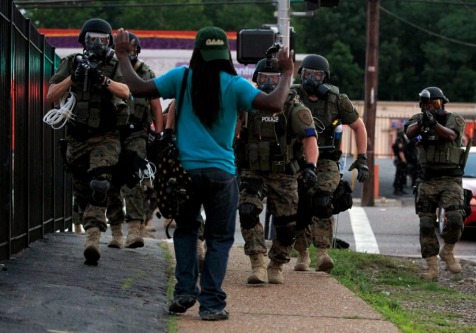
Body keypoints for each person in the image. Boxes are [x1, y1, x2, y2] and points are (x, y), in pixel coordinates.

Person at [114, 26, 296, 321]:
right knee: (219, 238)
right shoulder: (235, 84)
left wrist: (122, 55)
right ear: (225, 54)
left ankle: (184, 291)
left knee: (186, 231)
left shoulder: (181, 78)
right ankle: (211, 303)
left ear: (197, 52)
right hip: (222, 174)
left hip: (184, 172)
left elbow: (139, 88)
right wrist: (287, 73)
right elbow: (274, 104)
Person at [46, 18, 130, 265]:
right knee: (82, 193)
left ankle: (93, 238)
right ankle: (90, 230)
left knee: (100, 184)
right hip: (77, 139)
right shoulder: (71, 62)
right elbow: (51, 95)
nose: (97, 44)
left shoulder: (114, 64)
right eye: (92, 39)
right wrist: (73, 77)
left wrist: (102, 79)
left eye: (102, 40)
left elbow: (126, 91)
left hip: (106, 136)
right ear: (84, 40)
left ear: (109, 42)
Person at [237, 58, 319, 285]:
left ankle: (277, 264)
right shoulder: (246, 105)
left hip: (284, 174)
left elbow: (310, 140)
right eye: (264, 78)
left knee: (286, 225)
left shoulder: (294, 107)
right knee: (247, 211)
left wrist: (311, 167)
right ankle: (257, 262)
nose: (269, 83)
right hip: (253, 172)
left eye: (275, 78)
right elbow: (233, 133)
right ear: (256, 79)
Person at [290, 54, 369, 272]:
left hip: (326, 160)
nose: (311, 79)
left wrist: (362, 159)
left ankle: (323, 253)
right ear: (301, 75)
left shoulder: (337, 99)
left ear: (325, 78)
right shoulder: (293, 96)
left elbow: (359, 127)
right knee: (298, 205)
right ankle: (303, 252)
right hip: (298, 159)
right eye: (307, 74)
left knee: (323, 201)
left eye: (317, 75)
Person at [105, 32, 163, 249]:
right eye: (124, 48)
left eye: (131, 49)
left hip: (137, 132)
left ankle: (135, 229)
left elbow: (156, 106)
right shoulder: (111, 69)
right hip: (111, 133)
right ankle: (116, 230)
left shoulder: (146, 73)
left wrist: (158, 136)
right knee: (110, 181)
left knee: (135, 180)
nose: (128, 53)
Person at [404, 86, 466, 281]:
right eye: (428, 105)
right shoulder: (418, 119)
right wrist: (423, 121)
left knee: (455, 217)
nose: (432, 108)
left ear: (443, 104)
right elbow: (409, 133)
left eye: (436, 104)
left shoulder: (454, 119)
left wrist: (433, 123)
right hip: (427, 179)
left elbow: (451, 135)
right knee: (426, 223)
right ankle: (431, 268)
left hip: (450, 179)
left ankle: (447, 251)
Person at [392, 129, 408, 195]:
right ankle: (396, 190)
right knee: (399, 175)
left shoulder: (399, 141)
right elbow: (400, 152)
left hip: (399, 160)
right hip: (400, 161)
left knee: (402, 175)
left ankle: (400, 189)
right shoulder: (399, 143)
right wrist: (404, 160)